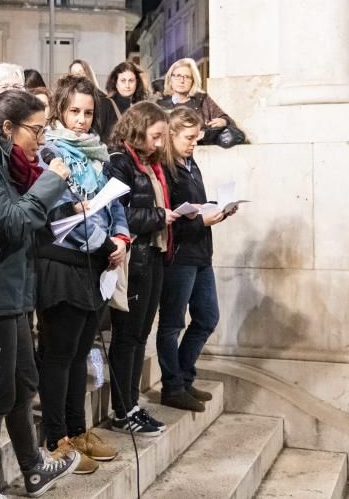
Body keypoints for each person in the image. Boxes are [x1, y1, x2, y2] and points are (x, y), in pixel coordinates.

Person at [0, 90, 80, 498]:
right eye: (36, 129)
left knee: (23, 381)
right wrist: (50, 183)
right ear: (7, 127)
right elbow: (11, 222)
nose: (41, 140)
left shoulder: (13, 164)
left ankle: (31, 468)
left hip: (17, 288)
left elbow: (27, 219)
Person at [35, 75, 129, 474]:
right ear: (59, 110)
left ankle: (77, 429)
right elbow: (66, 207)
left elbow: (114, 200)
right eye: (74, 111)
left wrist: (121, 237)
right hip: (62, 262)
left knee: (79, 354)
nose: (81, 120)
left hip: (93, 265)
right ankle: (55, 439)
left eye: (88, 113)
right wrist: (106, 244)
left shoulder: (97, 154)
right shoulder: (50, 151)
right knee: (58, 356)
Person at [104, 101, 177, 435]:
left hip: (154, 256)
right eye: (155, 136)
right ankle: (123, 410)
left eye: (163, 137)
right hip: (135, 259)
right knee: (127, 336)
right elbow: (117, 212)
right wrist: (160, 217)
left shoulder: (152, 165)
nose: (160, 144)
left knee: (140, 335)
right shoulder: (120, 163)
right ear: (137, 130)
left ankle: (131, 405)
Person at [157, 107, 236, 412]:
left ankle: (185, 376)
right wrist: (201, 221)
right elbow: (169, 219)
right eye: (188, 138)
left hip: (202, 252)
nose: (193, 144)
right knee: (172, 323)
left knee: (207, 317)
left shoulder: (191, 164)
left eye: (197, 139)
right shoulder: (165, 170)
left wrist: (220, 209)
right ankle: (172, 386)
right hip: (179, 256)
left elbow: (196, 206)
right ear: (171, 134)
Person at [157, 58, 233, 136]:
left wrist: (223, 121)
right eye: (177, 76)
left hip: (200, 146)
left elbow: (226, 119)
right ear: (170, 79)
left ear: (193, 81)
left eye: (187, 77)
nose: (181, 81)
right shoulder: (160, 105)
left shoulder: (202, 99)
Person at [101, 61, 149, 140]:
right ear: (115, 83)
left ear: (137, 82)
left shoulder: (142, 107)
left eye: (131, 81)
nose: (127, 85)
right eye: (123, 81)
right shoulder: (105, 104)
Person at [67, 59, 113, 138]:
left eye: (80, 73)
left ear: (88, 74)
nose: (77, 77)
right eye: (73, 74)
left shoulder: (104, 101)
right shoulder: (67, 98)